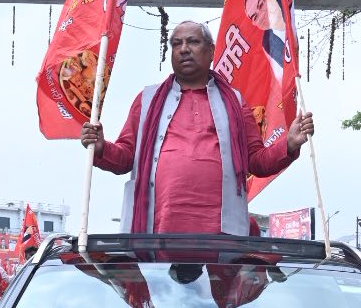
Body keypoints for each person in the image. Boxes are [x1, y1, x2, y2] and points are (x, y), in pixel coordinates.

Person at [80, 20, 314, 233]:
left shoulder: (234, 101)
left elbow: (256, 161)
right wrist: (101, 148)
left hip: (221, 235)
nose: (183, 49)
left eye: (193, 42)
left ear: (211, 51)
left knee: (221, 281)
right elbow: (125, 158)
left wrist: (289, 144)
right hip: (156, 230)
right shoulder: (148, 99)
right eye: (176, 44)